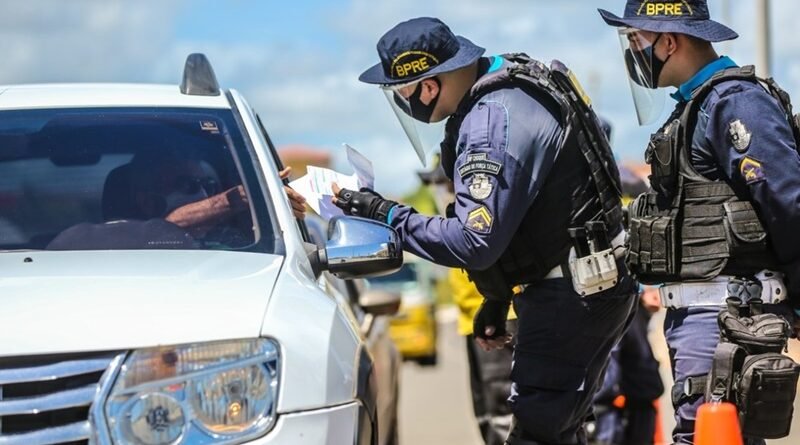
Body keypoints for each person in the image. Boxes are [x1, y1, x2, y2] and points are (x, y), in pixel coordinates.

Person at [334, 17, 638, 444]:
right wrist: (497, 297)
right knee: (557, 432)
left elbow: (474, 241)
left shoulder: (490, 122)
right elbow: (523, 219)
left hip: (572, 297)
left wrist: (385, 215)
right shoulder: (512, 86)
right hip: (580, 287)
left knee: (538, 435)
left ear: (428, 84)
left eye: (403, 90)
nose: (405, 102)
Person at [598, 1, 800, 443]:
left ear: (669, 41)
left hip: (726, 318)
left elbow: (789, 204)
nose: (632, 50)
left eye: (637, 39)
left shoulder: (735, 102)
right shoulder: (695, 106)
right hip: (704, 318)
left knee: (710, 435)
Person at [419, 157, 516, 445]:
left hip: (503, 318)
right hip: (471, 321)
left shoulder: (480, 220)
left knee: (503, 408)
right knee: (485, 410)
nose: (440, 192)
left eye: (442, 183)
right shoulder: (457, 221)